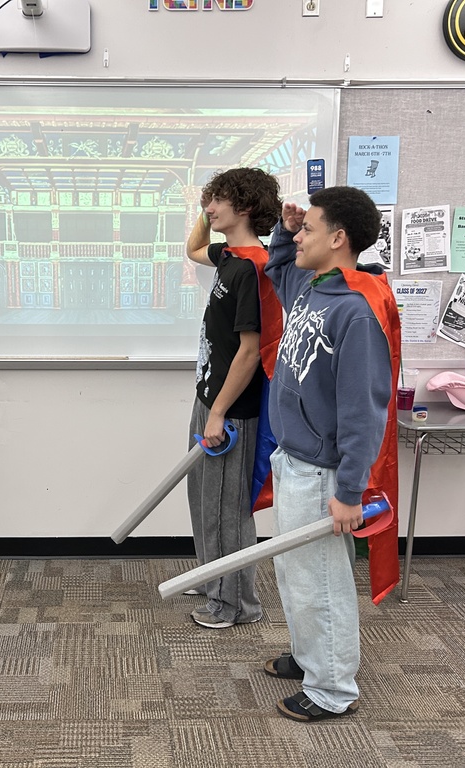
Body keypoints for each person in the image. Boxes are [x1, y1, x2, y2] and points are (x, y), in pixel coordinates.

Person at [262, 186, 401, 721]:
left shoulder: (357, 312)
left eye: (309, 229)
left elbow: (366, 412)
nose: (299, 236)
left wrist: (348, 490)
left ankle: (332, 689)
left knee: (320, 581)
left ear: (338, 239)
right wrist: (284, 227)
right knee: (297, 573)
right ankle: (308, 657)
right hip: (294, 459)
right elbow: (279, 267)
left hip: (322, 474)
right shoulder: (314, 287)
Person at [183, 167, 284, 629]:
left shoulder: (253, 268)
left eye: (217, 200)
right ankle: (212, 577)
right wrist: (201, 210)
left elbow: (250, 351)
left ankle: (235, 605)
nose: (209, 207)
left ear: (243, 207)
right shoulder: (229, 255)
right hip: (210, 396)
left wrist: (219, 412)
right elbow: (191, 250)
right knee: (203, 498)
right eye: (208, 199)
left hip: (231, 410)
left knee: (227, 509)